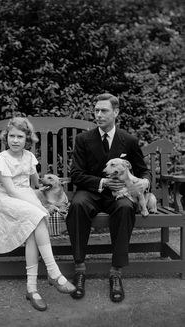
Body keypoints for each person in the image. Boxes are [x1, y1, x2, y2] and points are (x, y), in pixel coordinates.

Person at [0, 117, 75, 311]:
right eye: (12, 136)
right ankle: (54, 273)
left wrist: (52, 190)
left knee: (33, 230)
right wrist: (40, 207)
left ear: (27, 138)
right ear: (6, 137)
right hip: (7, 199)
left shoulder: (28, 157)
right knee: (38, 216)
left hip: (26, 197)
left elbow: (36, 184)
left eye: (20, 136)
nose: (15, 140)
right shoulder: (2, 159)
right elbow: (11, 191)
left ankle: (32, 288)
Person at [66, 93, 151, 303]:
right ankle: (79, 270)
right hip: (92, 191)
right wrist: (102, 183)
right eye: (96, 110)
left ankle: (116, 272)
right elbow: (76, 174)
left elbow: (143, 171)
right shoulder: (83, 139)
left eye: (104, 110)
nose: (99, 114)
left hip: (120, 193)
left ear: (116, 112)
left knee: (125, 208)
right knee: (77, 205)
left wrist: (144, 182)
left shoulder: (129, 140)